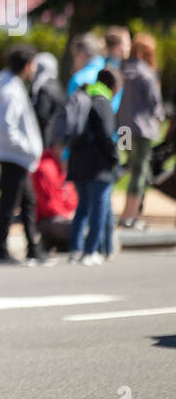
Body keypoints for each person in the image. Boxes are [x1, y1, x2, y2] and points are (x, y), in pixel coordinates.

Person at [0, 44, 50, 264]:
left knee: (25, 202)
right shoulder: (10, 91)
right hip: (14, 155)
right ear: (26, 65)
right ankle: (3, 249)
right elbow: (7, 128)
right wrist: (29, 147)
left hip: (14, 155)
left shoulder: (10, 86)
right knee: (11, 203)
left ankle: (31, 247)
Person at [68, 68, 122, 264]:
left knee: (81, 208)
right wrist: (116, 158)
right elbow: (107, 136)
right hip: (98, 166)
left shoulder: (83, 96)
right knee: (98, 208)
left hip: (77, 162)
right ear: (114, 86)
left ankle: (75, 249)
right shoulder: (103, 102)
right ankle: (91, 251)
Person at [117, 33, 165, 228]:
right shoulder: (146, 73)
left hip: (123, 129)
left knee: (128, 166)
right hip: (142, 130)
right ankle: (130, 215)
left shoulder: (123, 70)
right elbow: (156, 104)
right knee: (140, 171)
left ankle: (127, 212)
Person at [30, 144, 77, 252]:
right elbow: (48, 206)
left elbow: (72, 198)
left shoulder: (62, 167)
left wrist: (73, 212)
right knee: (77, 228)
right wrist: (68, 215)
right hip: (48, 219)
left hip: (64, 215)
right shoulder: (45, 168)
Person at [29, 52, 65, 143]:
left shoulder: (43, 88)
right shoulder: (57, 85)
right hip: (57, 132)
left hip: (45, 136)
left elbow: (42, 113)